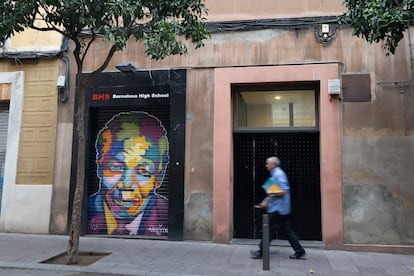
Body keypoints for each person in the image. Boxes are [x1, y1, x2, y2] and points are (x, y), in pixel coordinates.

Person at [87, 111, 169, 236]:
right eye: (116, 167)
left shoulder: (167, 211)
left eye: (143, 171)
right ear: (99, 167)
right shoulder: (84, 209)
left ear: (159, 176)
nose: (126, 185)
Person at [250, 156, 306, 259]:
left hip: (278, 209)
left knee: (269, 230)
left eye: (267, 164)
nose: (266, 165)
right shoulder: (274, 175)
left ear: (273, 165)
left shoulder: (279, 174)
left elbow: (284, 191)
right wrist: (266, 200)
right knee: (287, 230)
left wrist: (270, 192)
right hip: (281, 209)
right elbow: (272, 191)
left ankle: (261, 251)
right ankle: (299, 250)